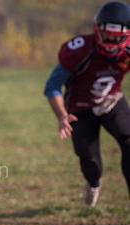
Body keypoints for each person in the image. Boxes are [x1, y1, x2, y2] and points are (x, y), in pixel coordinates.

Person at [44, 1, 130, 207]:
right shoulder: (81, 50)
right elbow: (52, 85)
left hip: (111, 101)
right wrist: (62, 115)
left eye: (116, 37)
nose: (110, 41)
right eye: (106, 34)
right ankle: (93, 183)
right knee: (90, 161)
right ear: (96, 29)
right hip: (79, 108)